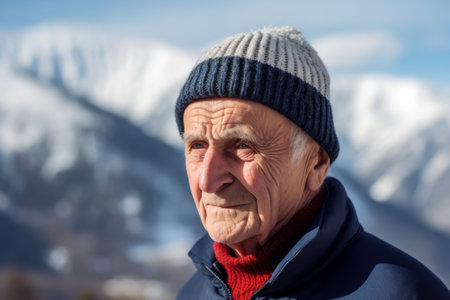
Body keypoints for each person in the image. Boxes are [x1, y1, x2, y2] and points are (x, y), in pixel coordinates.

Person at [174, 26, 449, 299]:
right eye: (197, 146)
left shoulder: (406, 294)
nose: (207, 179)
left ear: (316, 164)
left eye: (243, 146)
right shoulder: (192, 293)